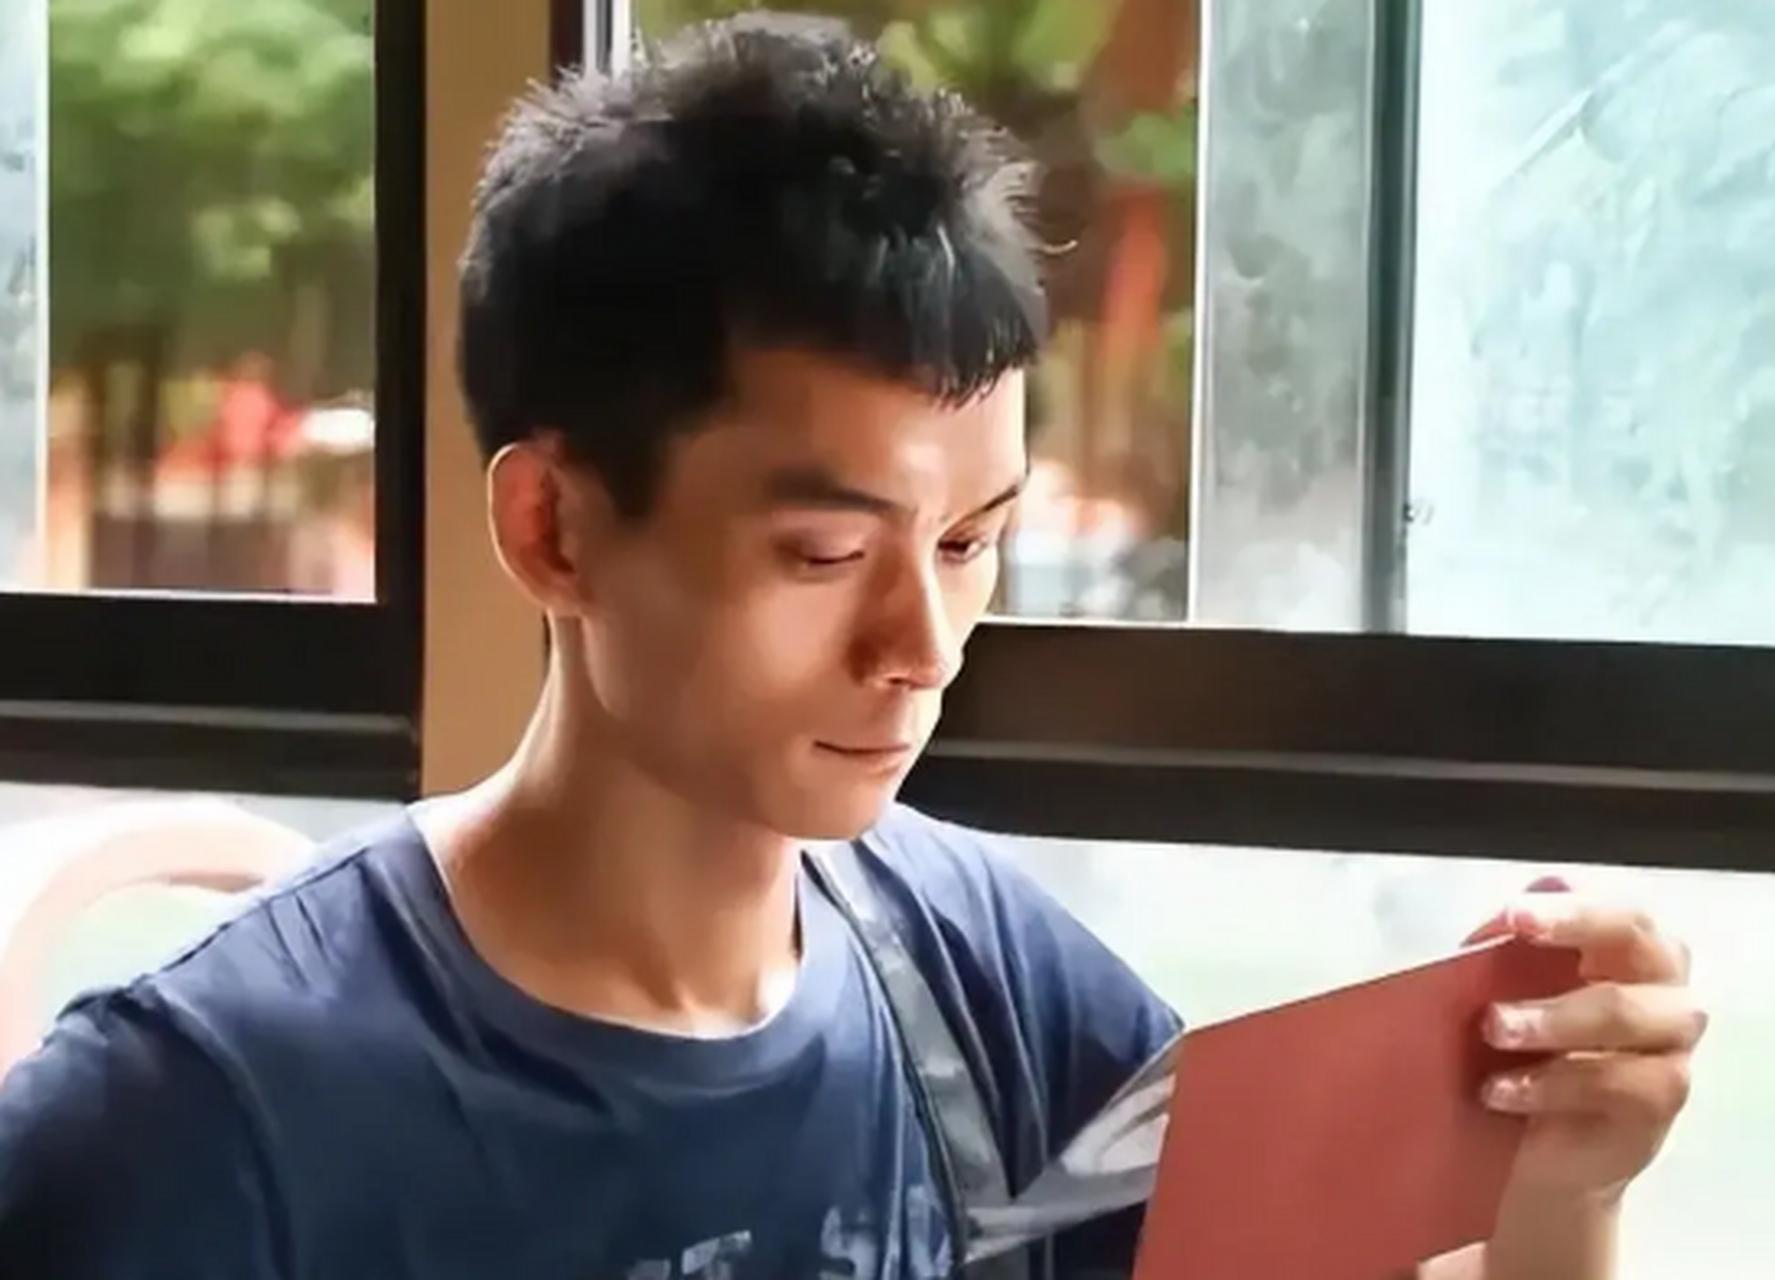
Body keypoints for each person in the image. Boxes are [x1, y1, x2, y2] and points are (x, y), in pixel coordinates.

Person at [0, 15, 1705, 1279]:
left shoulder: (983, 984)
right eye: (826, 553)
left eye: (970, 543)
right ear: (555, 531)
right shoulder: (194, 1125)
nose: (924, 642)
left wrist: (1561, 1183)